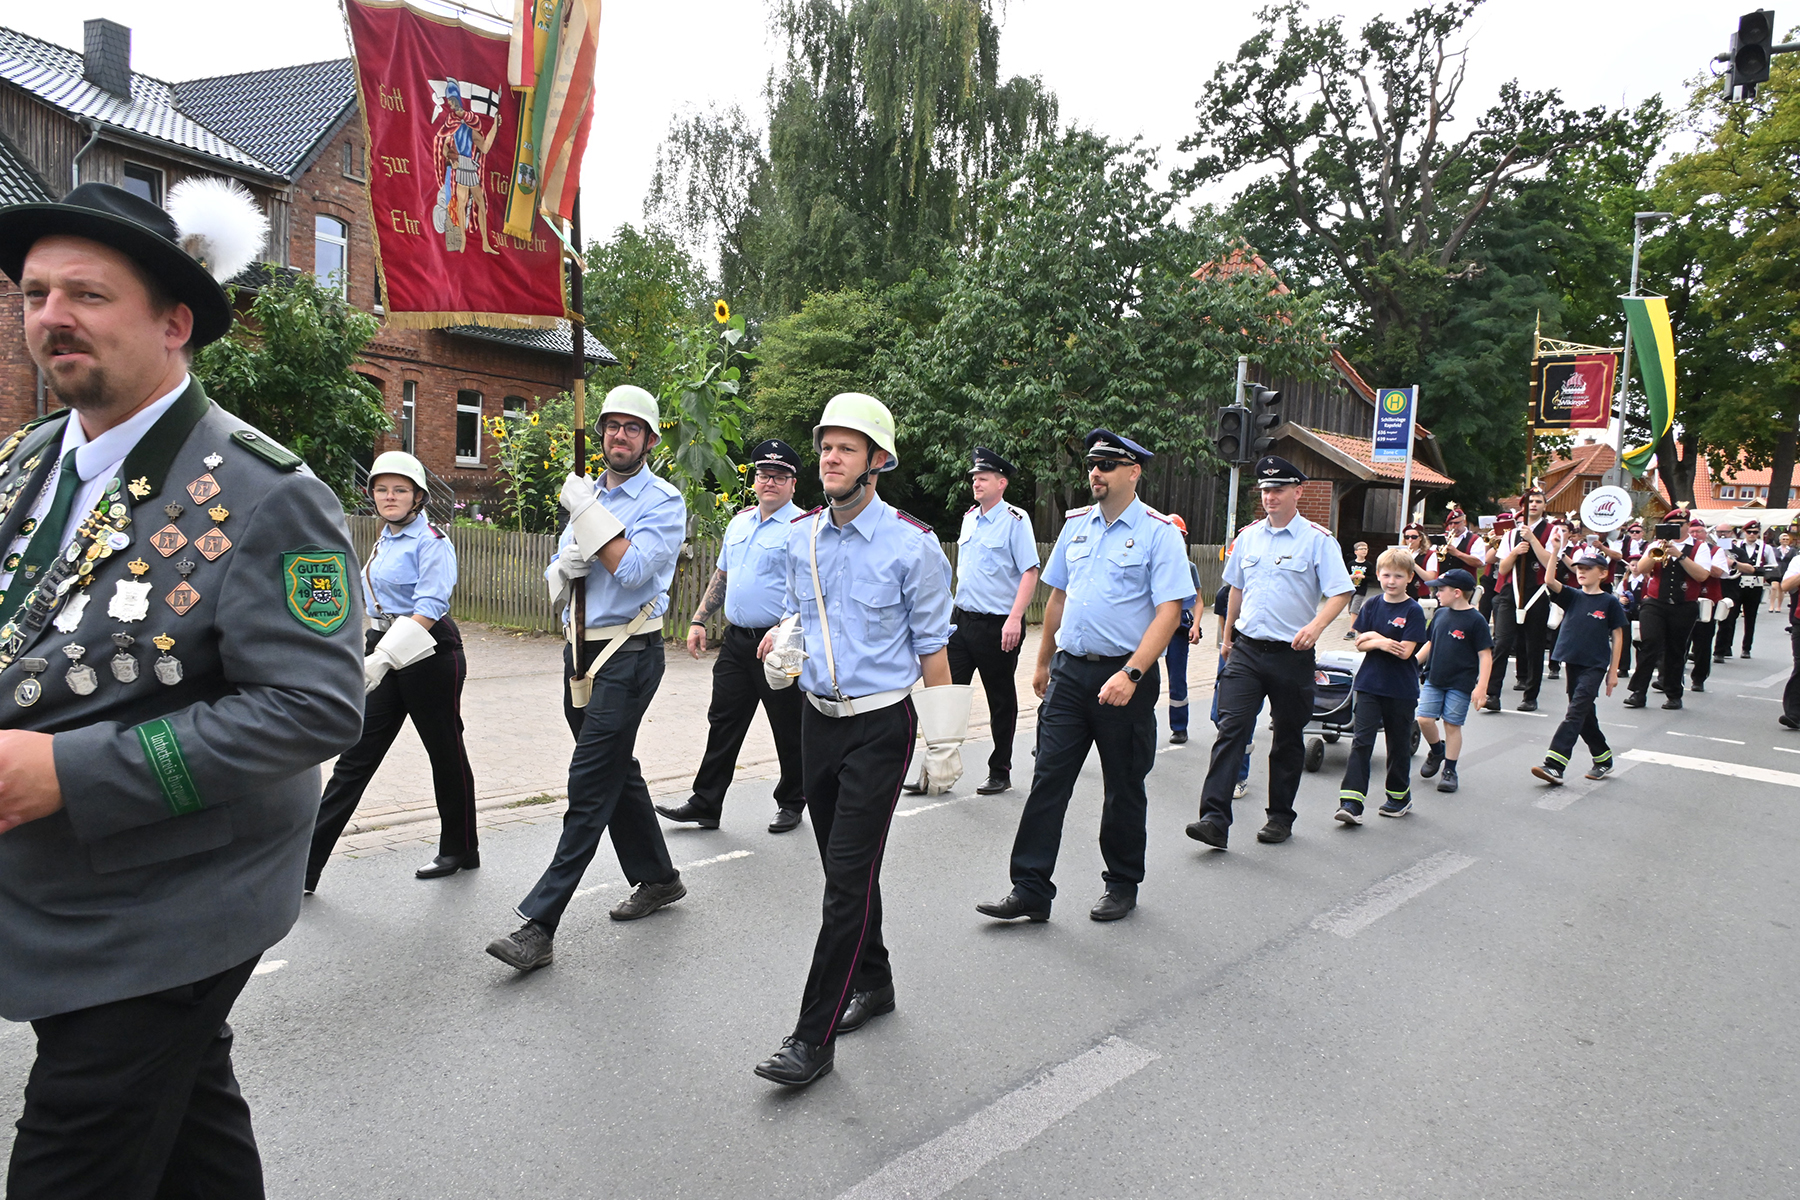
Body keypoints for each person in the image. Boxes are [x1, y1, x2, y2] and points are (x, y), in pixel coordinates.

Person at [0, 181, 364, 1198]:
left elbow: (314, 708)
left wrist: (69, 771)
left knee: (74, 1160)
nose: (53, 317)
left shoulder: (269, 494)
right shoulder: (32, 460)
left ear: (174, 323)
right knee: (194, 1141)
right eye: (35, 294)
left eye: (88, 293)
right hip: (64, 888)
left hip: (170, 902)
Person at [750, 392, 960, 1087]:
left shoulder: (913, 545)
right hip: (816, 721)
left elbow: (933, 650)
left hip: (880, 726)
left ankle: (810, 1040)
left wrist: (944, 743)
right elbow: (795, 616)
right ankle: (875, 980)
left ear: (877, 461)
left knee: (844, 883)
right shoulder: (801, 537)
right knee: (848, 874)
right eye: (825, 447)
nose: (830, 458)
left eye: (846, 448)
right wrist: (781, 644)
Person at [486, 385, 687, 972]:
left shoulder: (663, 501)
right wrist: (564, 564)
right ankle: (659, 877)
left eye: (632, 428)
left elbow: (635, 572)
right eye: (612, 426)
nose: (619, 436)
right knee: (615, 770)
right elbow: (558, 568)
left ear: (650, 440)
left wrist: (589, 524)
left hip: (630, 653)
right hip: (579, 650)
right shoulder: (586, 492)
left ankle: (540, 925)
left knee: (589, 781)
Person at [976, 429, 1190, 921]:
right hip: (1070, 674)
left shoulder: (1158, 532)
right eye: (1093, 464)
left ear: (1133, 472)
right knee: (1048, 780)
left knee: (1123, 786)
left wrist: (1132, 673)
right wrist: (1043, 661)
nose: (1096, 472)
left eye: (1107, 464)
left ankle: (1122, 883)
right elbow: (1057, 598)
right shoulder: (1076, 525)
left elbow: (1169, 611)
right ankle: (1030, 888)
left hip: (1125, 677)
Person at [307, 451, 476, 890]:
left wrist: (385, 657)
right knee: (355, 756)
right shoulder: (384, 539)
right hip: (382, 644)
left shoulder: (432, 541)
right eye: (382, 489)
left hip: (428, 650)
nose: (390, 497)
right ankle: (306, 865)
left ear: (418, 497)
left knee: (444, 751)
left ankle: (460, 847)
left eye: (400, 490)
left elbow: (431, 605)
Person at [1186, 455, 1353, 848]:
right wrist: (1226, 640)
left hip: (1291, 654)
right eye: (1265, 490)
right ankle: (1214, 819)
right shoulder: (1248, 537)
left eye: (1278, 489)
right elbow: (1235, 590)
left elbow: (1341, 591)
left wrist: (1316, 627)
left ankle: (1280, 817)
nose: (1270, 497)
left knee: (1288, 737)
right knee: (1231, 729)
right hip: (1246, 650)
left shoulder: (1317, 540)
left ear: (1298, 492)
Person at [658, 439, 807, 833]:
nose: (770, 482)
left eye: (779, 476)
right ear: (754, 480)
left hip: (781, 643)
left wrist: (783, 627)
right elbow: (723, 574)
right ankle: (706, 803)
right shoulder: (740, 523)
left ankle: (792, 801)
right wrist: (698, 619)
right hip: (737, 641)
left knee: (789, 726)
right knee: (723, 721)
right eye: (764, 475)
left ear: (793, 484)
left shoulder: (804, 528)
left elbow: (812, 590)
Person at [916, 445, 1039, 793]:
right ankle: (935, 770)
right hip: (961, 621)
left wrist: (1015, 618)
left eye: (983, 478)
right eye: (974, 478)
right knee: (945, 695)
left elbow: (1030, 571)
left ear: (1002, 483)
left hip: (998, 625)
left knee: (1000, 700)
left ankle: (1000, 770)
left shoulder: (1015, 520)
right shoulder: (970, 517)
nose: (976, 483)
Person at [1334, 547, 1426, 824]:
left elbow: (1405, 651)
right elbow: (1360, 643)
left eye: (1398, 576)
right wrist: (1382, 641)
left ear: (1409, 578)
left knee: (1397, 745)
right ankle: (1351, 803)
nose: (1391, 581)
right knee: (1361, 742)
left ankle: (1398, 797)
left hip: (1400, 689)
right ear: (1378, 575)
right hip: (1369, 685)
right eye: (1386, 575)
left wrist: (1376, 639)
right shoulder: (1372, 605)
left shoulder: (1413, 610)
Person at [1529, 541, 1627, 785]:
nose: (1581, 572)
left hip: (1595, 665)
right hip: (1572, 661)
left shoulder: (1609, 602)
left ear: (1603, 574)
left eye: (1587, 568)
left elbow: (1618, 635)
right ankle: (1603, 758)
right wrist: (1554, 551)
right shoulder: (1572, 595)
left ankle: (1555, 764)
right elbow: (1549, 580)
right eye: (1579, 568)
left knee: (1575, 712)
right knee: (1583, 713)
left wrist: (1613, 671)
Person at [1623, 508, 1715, 711]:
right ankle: (1638, 692)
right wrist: (1659, 549)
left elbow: (1702, 576)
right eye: (1671, 526)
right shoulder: (1656, 545)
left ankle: (1673, 695)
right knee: (1649, 645)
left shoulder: (1699, 547)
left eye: (1679, 525)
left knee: (1676, 650)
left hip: (1684, 605)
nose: (1675, 529)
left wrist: (1680, 556)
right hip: (1656, 602)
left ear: (1687, 526)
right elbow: (1642, 569)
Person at [1413, 569, 1492, 794]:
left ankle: (1449, 770)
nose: (1437, 593)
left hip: (1460, 683)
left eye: (1441, 589)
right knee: (1424, 719)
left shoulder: (1476, 620)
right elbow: (1430, 643)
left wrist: (1482, 687)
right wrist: (1413, 663)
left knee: (1452, 725)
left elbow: (1485, 655)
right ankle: (1438, 751)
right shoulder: (1439, 615)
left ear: (1457, 593)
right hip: (1434, 678)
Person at [1489, 489, 1555, 711]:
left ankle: (1530, 696)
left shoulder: (1553, 531)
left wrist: (1533, 540)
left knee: (1534, 646)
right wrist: (1515, 551)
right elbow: (1503, 569)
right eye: (1530, 502)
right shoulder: (1510, 534)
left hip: (1537, 592)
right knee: (1502, 643)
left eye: (1538, 501)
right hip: (1511, 592)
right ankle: (1492, 694)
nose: (1533, 505)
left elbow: (1549, 563)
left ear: (1544, 506)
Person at [1163, 512, 1203, 745]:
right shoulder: (1152, 562)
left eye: (1180, 536)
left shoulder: (1189, 567)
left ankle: (1179, 727)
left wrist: (1195, 625)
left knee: (1177, 678)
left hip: (1178, 630)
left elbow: (1198, 600)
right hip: (1152, 629)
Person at [1683, 517, 1727, 693]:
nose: (1695, 535)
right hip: (1685, 598)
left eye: (1699, 531)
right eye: (1692, 532)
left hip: (1707, 599)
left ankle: (1699, 678)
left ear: (1705, 533)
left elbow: (1718, 572)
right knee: (1679, 640)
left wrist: (1701, 562)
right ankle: (1672, 677)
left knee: (1703, 641)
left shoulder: (1716, 550)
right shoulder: (1684, 549)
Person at [1722, 519, 1771, 659]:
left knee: (1750, 617)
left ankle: (1746, 648)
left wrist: (1760, 571)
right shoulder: (1736, 545)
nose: (1752, 534)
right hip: (1737, 584)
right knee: (1731, 616)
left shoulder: (1766, 548)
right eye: (1749, 532)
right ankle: (1726, 647)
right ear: (1744, 532)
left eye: (1755, 532)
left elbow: (1772, 566)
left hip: (1755, 585)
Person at [1344, 540, 1371, 637]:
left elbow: (1372, 578)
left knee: (1354, 609)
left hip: (1361, 590)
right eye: (1361, 549)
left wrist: (1364, 577)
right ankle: (1364, 622)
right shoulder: (1350, 564)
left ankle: (1352, 631)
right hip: (1351, 590)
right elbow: (1345, 575)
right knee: (1351, 610)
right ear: (1356, 552)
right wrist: (1350, 577)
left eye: (1366, 549)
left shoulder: (1368, 565)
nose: (1364, 551)